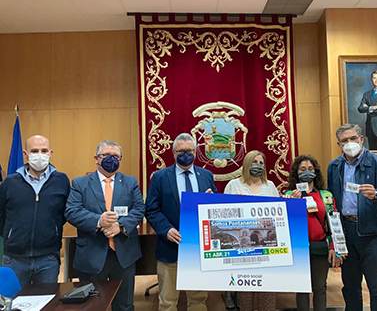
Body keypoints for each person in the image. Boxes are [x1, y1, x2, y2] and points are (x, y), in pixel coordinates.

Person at [65, 140, 145, 311]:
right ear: (96, 158)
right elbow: (72, 211)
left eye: (116, 156)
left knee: (124, 305)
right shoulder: (80, 183)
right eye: (106, 155)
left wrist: (120, 226)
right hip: (92, 255)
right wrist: (99, 221)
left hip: (123, 255)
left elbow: (139, 209)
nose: (111, 159)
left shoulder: (130, 182)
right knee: (91, 305)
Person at [327, 123, 377, 311]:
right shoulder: (334, 166)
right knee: (350, 286)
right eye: (344, 141)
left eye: (352, 139)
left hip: (373, 232)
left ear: (361, 139)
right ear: (338, 144)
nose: (349, 143)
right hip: (346, 232)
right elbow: (332, 200)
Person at [145, 133, 217, 311]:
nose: (186, 154)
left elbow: (215, 210)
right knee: (168, 301)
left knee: (198, 300)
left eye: (189, 150)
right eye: (181, 151)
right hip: (169, 247)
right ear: (173, 152)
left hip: (198, 248)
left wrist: (212, 202)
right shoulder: (160, 177)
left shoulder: (206, 175)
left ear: (196, 151)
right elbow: (151, 209)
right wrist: (166, 229)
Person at [0, 135, 70, 287]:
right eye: (34, 150)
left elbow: (64, 213)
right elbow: (2, 215)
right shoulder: (10, 182)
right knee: (13, 305)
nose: (40, 154)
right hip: (14, 258)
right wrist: (12, 234)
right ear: (25, 154)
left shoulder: (61, 180)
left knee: (46, 304)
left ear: (50, 153)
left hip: (48, 258)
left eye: (44, 151)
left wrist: (53, 230)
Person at [284, 154, 342, 311]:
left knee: (320, 287)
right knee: (302, 288)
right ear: (296, 172)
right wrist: (291, 204)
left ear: (315, 172)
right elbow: (285, 225)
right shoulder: (288, 195)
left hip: (320, 246)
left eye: (310, 169)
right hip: (298, 248)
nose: (307, 171)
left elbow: (333, 224)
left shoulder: (326, 195)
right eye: (303, 169)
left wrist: (334, 247)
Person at [224, 150, 279, 311]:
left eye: (261, 163)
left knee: (268, 292)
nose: (258, 166)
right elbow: (223, 213)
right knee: (245, 294)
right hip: (242, 248)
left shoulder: (271, 186)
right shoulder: (233, 185)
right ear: (247, 163)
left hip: (267, 247)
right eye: (255, 162)